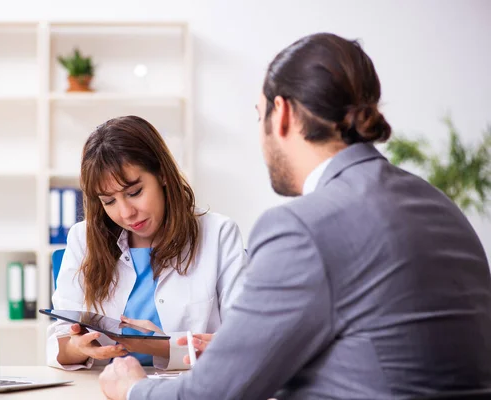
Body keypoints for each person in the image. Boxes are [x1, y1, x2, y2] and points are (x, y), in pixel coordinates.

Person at [99, 32, 491, 399]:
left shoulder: (301, 227)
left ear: (281, 114)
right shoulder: (438, 204)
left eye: (259, 116)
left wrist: (134, 389)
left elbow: (216, 391)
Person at [47, 115, 248, 371]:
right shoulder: (83, 238)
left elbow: (243, 342)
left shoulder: (219, 234)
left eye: (134, 193)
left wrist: (161, 346)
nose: (126, 213)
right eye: (109, 201)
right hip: (103, 386)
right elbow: (59, 341)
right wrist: (78, 348)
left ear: (162, 175)